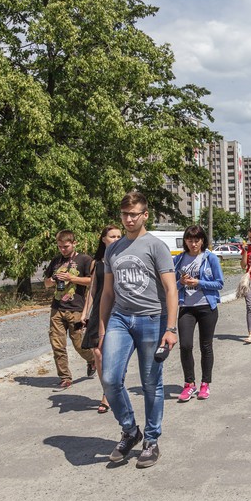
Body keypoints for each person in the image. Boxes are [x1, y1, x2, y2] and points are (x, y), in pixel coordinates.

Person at [98, 191, 178, 468]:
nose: (129, 219)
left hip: (152, 320)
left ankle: (151, 440)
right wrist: (102, 326)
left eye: (134, 214)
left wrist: (171, 328)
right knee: (109, 378)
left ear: (145, 215)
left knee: (150, 383)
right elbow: (107, 293)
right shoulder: (113, 249)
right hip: (120, 318)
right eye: (124, 214)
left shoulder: (155, 246)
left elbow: (170, 289)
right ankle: (130, 430)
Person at [174, 225, 224, 402]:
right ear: (185, 241)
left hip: (206, 307)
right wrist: (181, 282)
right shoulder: (179, 259)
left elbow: (219, 283)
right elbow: (172, 286)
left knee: (206, 346)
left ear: (203, 241)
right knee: (185, 345)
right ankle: (189, 384)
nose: (193, 244)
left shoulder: (210, 258)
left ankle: (205, 383)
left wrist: (199, 282)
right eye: (190, 240)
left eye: (197, 240)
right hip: (185, 307)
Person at [44, 229, 95, 391]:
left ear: (74, 243)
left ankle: (93, 360)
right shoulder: (56, 261)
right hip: (57, 308)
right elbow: (46, 283)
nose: (63, 249)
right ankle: (65, 378)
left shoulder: (85, 260)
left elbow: (93, 282)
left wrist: (71, 278)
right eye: (60, 246)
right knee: (57, 345)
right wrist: (53, 280)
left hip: (76, 309)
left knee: (79, 344)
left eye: (66, 246)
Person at [81, 225, 123, 412]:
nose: (116, 239)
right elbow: (93, 289)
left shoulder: (123, 258)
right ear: (103, 239)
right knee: (97, 353)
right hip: (99, 309)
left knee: (110, 353)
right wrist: (85, 312)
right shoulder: (96, 263)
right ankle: (107, 390)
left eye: (118, 236)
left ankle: (110, 394)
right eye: (112, 236)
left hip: (119, 309)